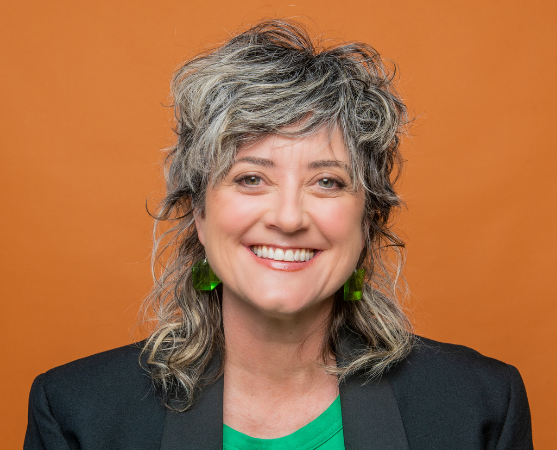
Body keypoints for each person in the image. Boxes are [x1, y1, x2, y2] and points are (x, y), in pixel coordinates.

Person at [24, 19, 533, 450]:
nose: (288, 218)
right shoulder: (75, 414)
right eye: (251, 178)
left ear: (368, 220)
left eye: (327, 182)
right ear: (198, 212)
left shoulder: (480, 407)